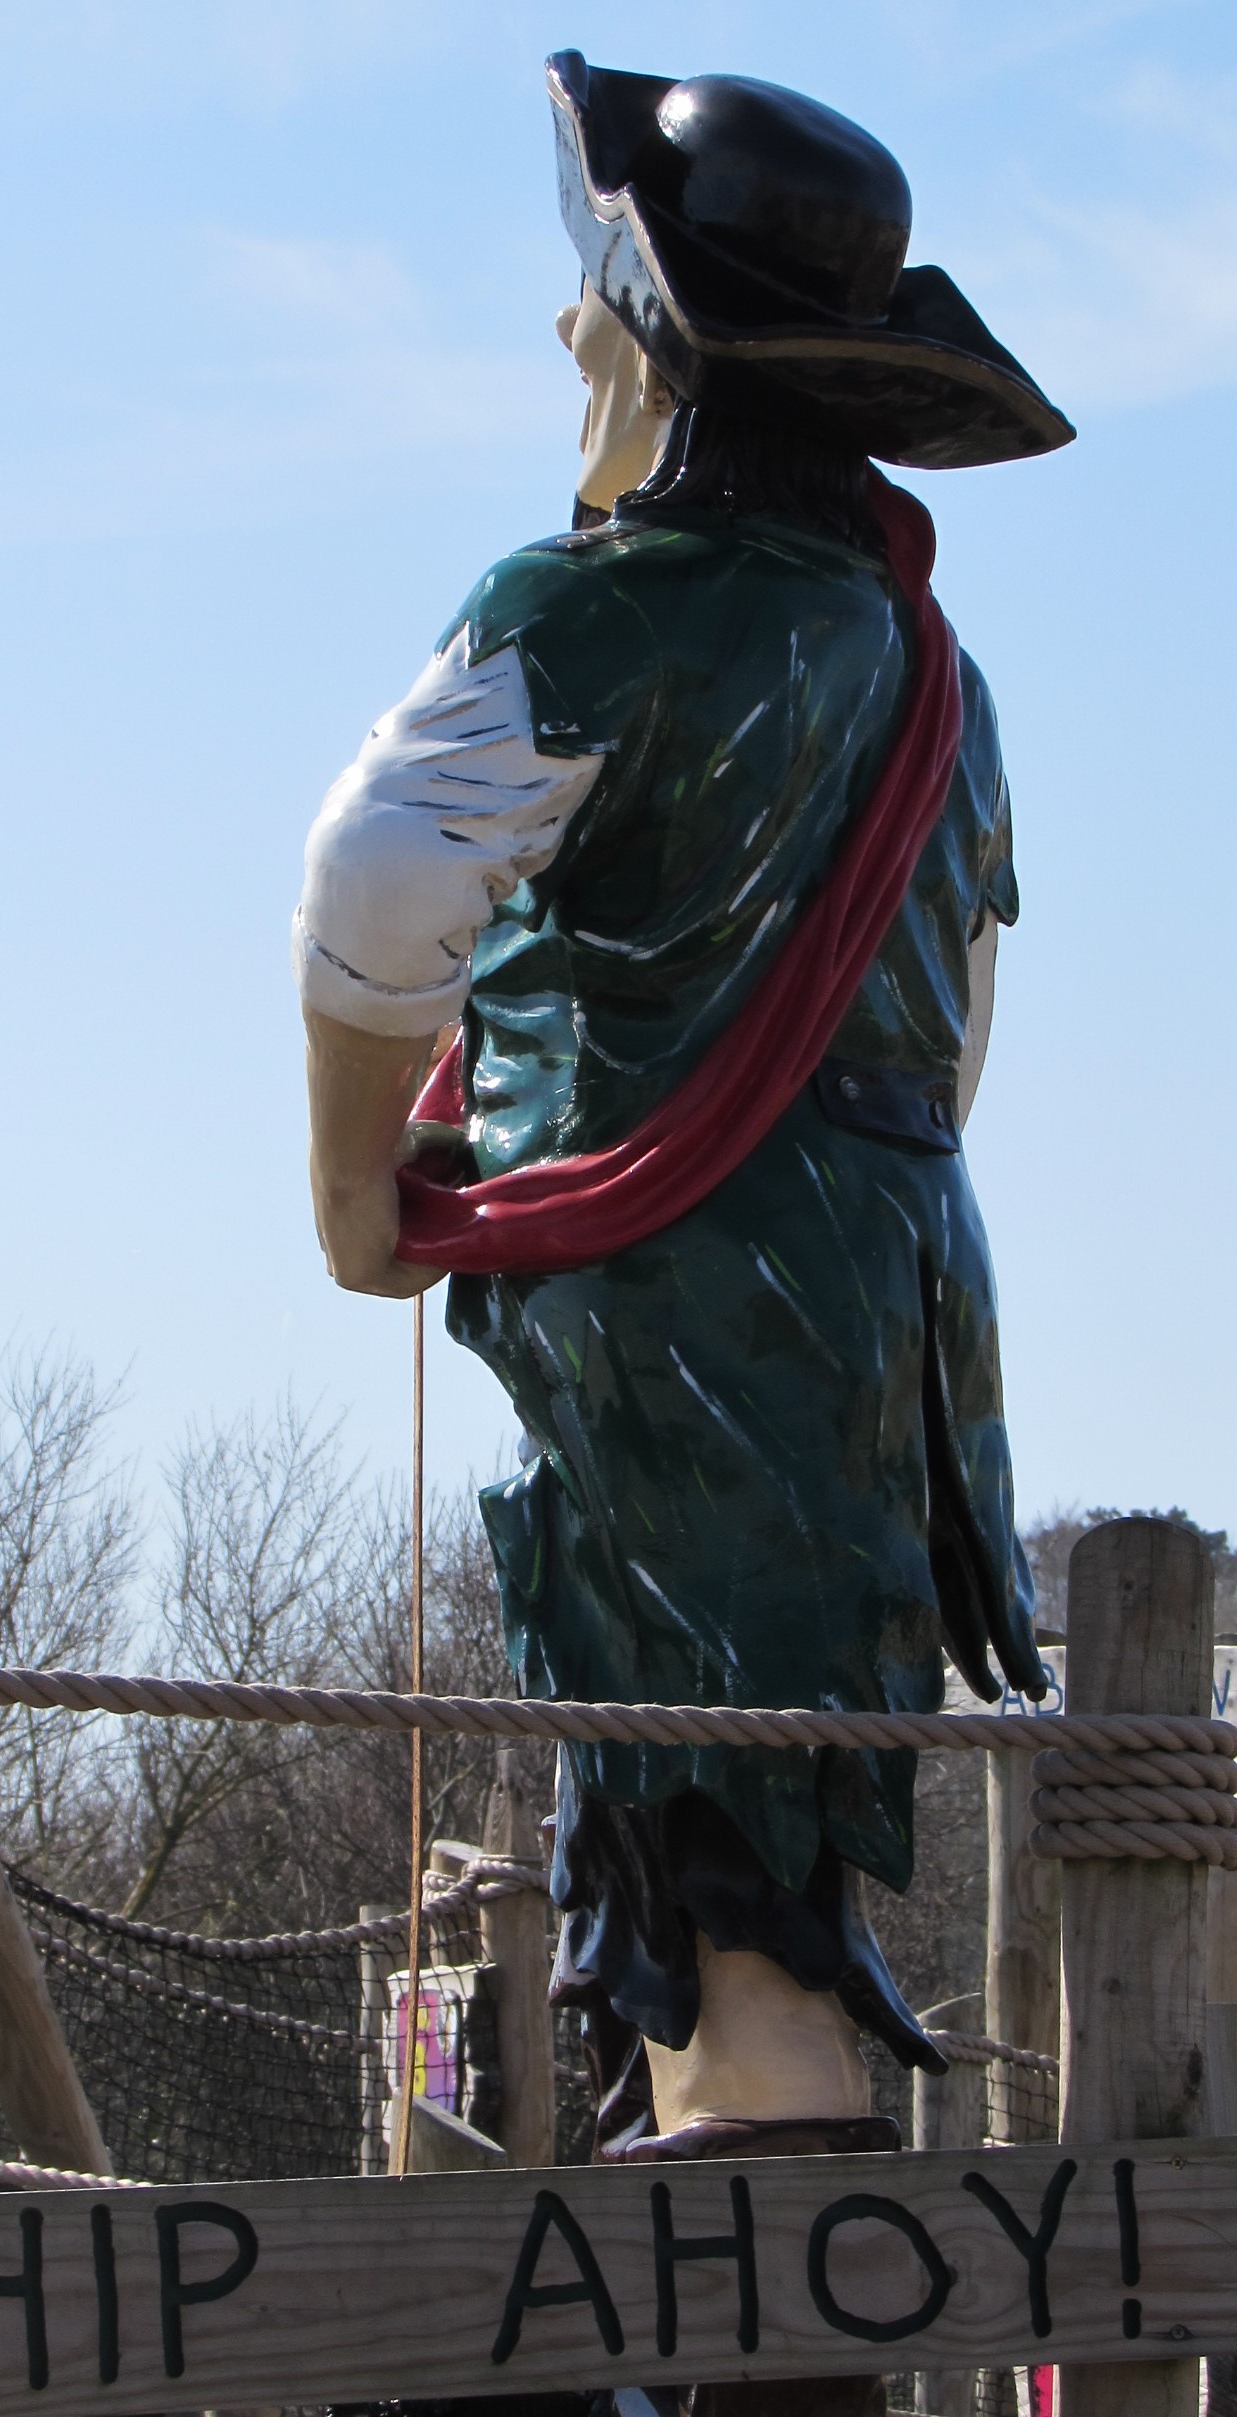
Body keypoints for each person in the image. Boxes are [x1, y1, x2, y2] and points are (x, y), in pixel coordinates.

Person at [294, 46, 1070, 2261]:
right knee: (770, 1782)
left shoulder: (595, 609)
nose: (563, 334)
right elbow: (960, 1024)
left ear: (665, 354)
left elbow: (369, 894)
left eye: (594, 302)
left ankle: (757, 2252)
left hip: (677, 1292)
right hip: (890, 1288)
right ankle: (747, 2174)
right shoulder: (944, 675)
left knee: (706, 1833)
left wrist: (359, 1199)